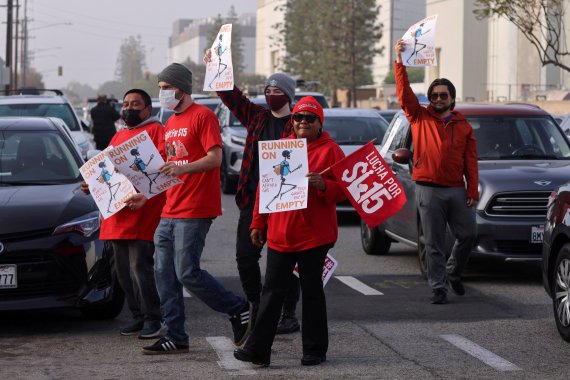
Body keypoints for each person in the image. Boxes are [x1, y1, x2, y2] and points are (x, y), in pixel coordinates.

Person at [126, 63, 251, 355]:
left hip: (196, 208)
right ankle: (176, 334)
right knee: (163, 273)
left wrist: (184, 166)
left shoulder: (203, 117)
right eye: (160, 88)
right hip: (170, 208)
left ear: (181, 89)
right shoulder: (169, 122)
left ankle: (238, 308)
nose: (162, 93)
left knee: (187, 272)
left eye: (166, 88)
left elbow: (215, 159)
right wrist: (147, 196)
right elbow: (168, 170)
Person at [233, 96, 345, 367]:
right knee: (272, 293)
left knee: (312, 292)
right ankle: (258, 350)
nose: (303, 122)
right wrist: (258, 222)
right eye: (298, 117)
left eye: (310, 118)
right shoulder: (279, 149)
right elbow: (264, 188)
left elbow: (344, 191)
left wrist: (324, 186)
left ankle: (314, 350)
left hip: (314, 236)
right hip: (281, 235)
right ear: (292, 122)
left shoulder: (331, 151)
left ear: (320, 123)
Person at [204, 50, 302, 334]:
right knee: (245, 257)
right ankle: (257, 303)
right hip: (254, 200)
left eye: (277, 90)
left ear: (288, 95)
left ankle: (287, 314)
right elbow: (231, 97)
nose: (271, 94)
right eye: (268, 90)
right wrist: (216, 66)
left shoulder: (299, 124)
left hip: (287, 202)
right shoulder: (257, 116)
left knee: (286, 261)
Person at [394, 39, 478, 305]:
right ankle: (439, 287)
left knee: (467, 235)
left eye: (443, 95)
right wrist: (399, 61)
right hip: (428, 189)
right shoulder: (418, 116)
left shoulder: (464, 125)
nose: (438, 99)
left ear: (452, 99)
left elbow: (471, 161)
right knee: (434, 243)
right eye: (434, 95)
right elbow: (404, 93)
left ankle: (453, 272)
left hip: (456, 188)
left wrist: (472, 190)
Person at [81, 89, 165, 339]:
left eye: (136, 104)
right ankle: (138, 316)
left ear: (148, 109)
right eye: (126, 103)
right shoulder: (118, 136)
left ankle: (153, 318)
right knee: (122, 272)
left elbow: (161, 173)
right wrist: (91, 184)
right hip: (116, 215)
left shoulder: (156, 132)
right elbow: (105, 170)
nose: (129, 108)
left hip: (142, 213)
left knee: (140, 268)